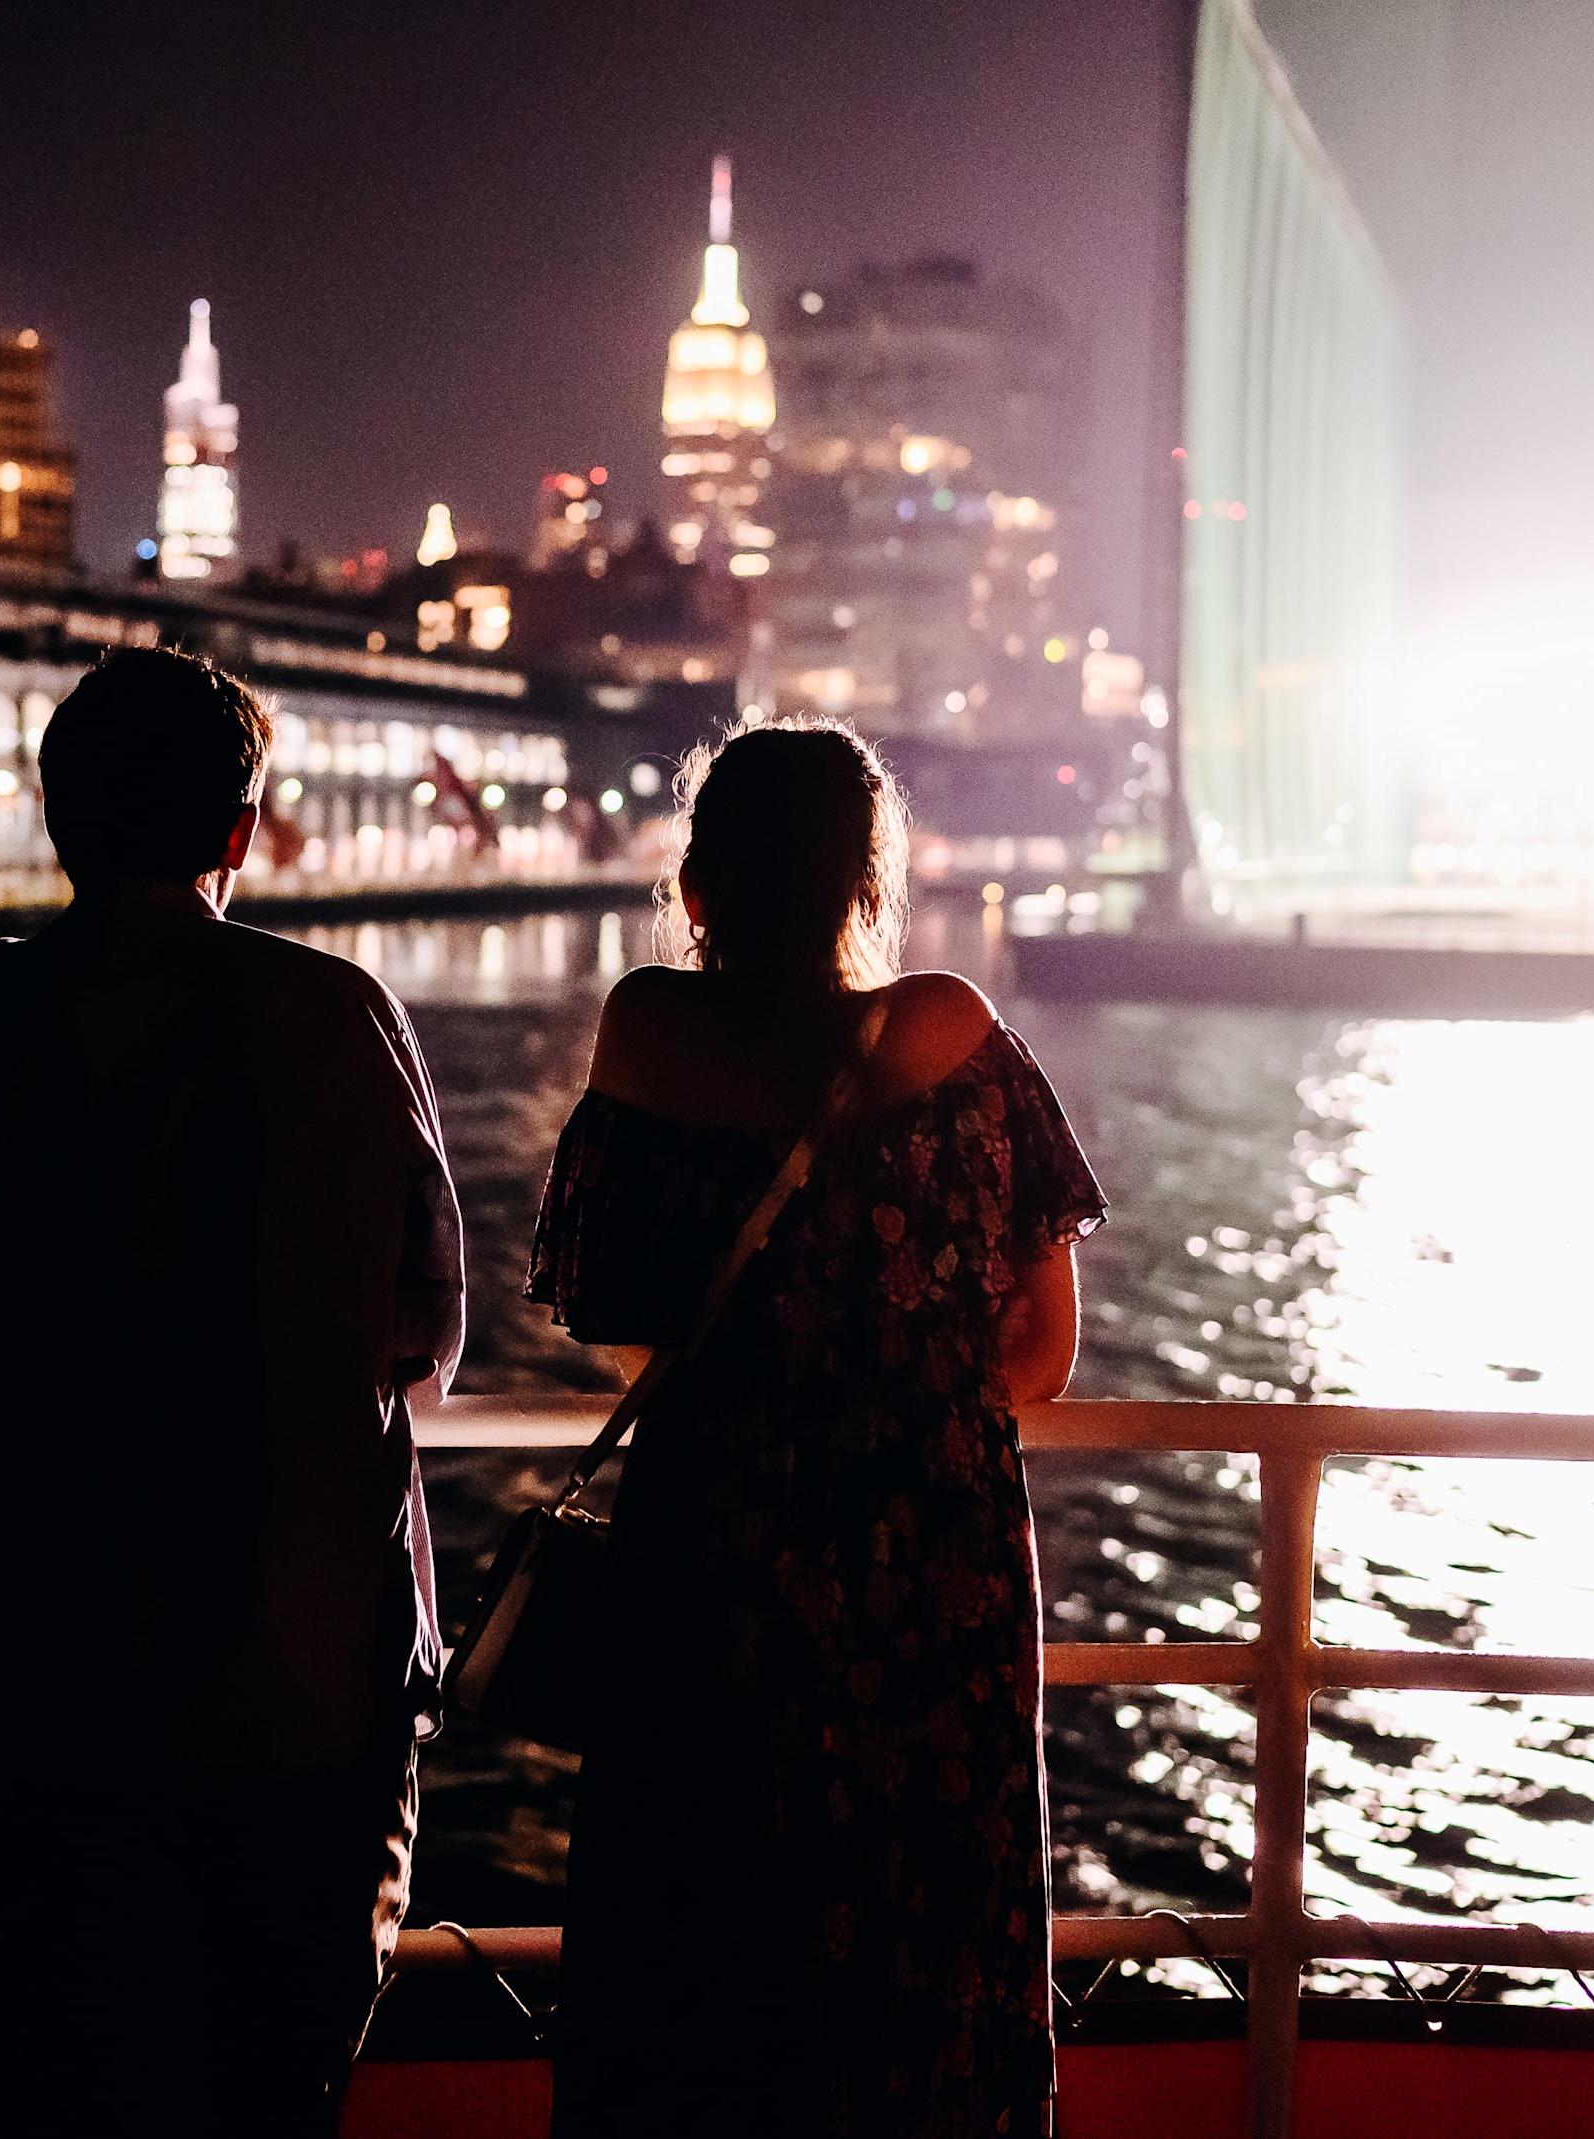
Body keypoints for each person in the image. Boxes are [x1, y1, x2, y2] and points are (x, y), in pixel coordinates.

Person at [0, 646, 469, 2136]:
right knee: (278, 2087)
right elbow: (424, 1331)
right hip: (301, 1667)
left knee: (60, 2083)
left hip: (46, 1661)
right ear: (239, 832)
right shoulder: (338, 1015)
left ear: (53, 817)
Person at [529, 719, 1100, 2138]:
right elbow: (1045, 1352)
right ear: (867, 882)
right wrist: (900, 1393)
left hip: (713, 1547)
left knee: (699, 1921)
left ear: (700, 885)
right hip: (934, 1555)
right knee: (927, 1913)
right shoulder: (954, 1030)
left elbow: (611, 1317)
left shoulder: (646, 1033)